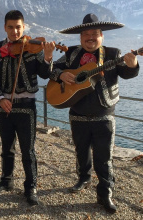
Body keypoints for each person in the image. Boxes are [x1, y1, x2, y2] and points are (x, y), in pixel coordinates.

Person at [50, 13, 140, 213]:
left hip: (104, 114)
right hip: (77, 112)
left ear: (102, 36)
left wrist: (133, 64)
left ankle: (105, 192)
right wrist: (61, 74)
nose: (90, 37)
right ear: (80, 37)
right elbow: (51, 69)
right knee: (81, 151)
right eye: (86, 34)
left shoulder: (113, 54)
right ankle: (83, 178)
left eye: (95, 34)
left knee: (104, 156)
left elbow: (127, 73)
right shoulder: (71, 54)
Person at [0, 10, 55, 205]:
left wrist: (48, 57)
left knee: (28, 149)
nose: (15, 31)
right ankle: (6, 181)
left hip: (26, 106)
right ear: (5, 28)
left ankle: (30, 186)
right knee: (6, 148)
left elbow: (44, 74)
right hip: (4, 105)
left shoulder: (35, 48)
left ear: (24, 27)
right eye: (11, 27)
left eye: (18, 27)